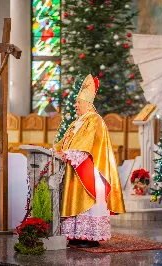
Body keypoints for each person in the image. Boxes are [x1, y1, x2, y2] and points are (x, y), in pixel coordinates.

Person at [54, 74, 126, 248]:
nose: (75, 105)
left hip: (88, 170)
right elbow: (63, 142)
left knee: (87, 200)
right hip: (74, 169)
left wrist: (68, 153)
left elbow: (85, 146)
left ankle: (90, 236)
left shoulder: (94, 120)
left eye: (78, 102)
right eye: (76, 102)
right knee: (74, 201)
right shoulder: (77, 122)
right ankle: (77, 235)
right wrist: (56, 151)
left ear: (88, 103)